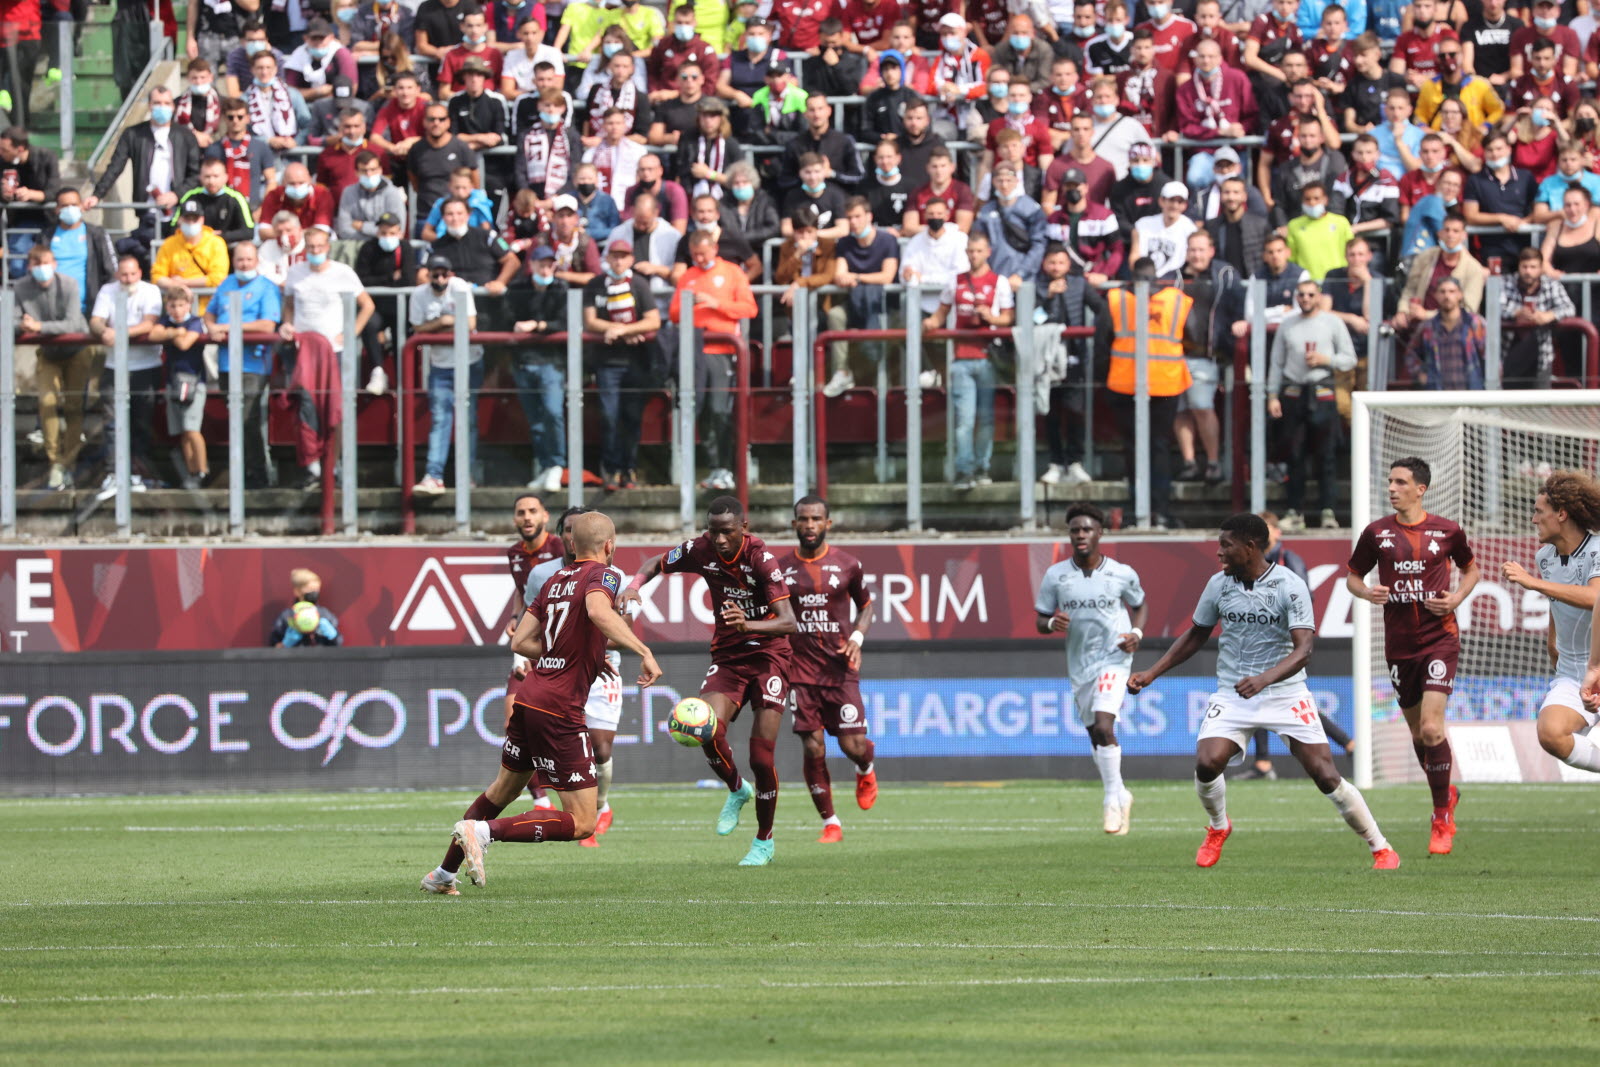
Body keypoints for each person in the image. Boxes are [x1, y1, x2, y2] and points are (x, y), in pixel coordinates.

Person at [1129, 513, 1400, 870]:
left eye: (1226, 545)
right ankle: (1218, 826)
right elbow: (1196, 634)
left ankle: (1380, 846)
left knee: (1326, 776)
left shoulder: (1290, 585)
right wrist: (1152, 672)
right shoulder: (1218, 584)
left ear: (1250, 547)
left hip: (1284, 693)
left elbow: (1303, 650)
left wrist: (1264, 679)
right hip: (1233, 692)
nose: (1219, 552)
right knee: (1207, 763)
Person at [443, 513, 663, 888]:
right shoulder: (607, 575)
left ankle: (443, 873)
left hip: (531, 697)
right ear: (610, 546)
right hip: (559, 707)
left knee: (502, 790)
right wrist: (643, 649)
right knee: (582, 821)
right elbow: (597, 611)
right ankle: (483, 833)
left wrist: (576, 654)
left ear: (571, 544)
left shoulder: (555, 579)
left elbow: (520, 643)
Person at [622, 498, 797, 866]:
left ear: (744, 528)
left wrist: (747, 624)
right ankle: (737, 789)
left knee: (761, 758)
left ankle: (764, 841)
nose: (718, 539)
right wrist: (635, 584)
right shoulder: (701, 549)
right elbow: (654, 563)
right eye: (713, 530)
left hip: (769, 657)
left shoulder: (761, 559)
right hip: (730, 658)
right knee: (703, 728)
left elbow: (788, 621)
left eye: (727, 532)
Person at [1347, 456, 1480, 853]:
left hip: (1440, 638)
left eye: (1400, 482)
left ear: (1420, 489)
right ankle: (1446, 792)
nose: (1392, 488)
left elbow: (1472, 570)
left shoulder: (1448, 531)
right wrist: (1367, 593)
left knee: (1432, 729)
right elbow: (1353, 577)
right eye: (1390, 481)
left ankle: (1441, 816)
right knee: (1419, 738)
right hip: (1399, 647)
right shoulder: (1376, 533)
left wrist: (1456, 597)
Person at [1033, 503, 1147, 832]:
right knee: (1094, 734)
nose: (1080, 535)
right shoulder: (1056, 575)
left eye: (1086, 529)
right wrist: (1052, 621)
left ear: (1100, 533)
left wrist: (1136, 634)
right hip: (1080, 663)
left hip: (1114, 656)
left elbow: (1140, 605)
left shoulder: (1121, 572)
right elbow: (1041, 619)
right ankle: (1122, 792)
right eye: (1075, 530)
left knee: (1103, 724)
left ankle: (1112, 798)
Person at [779, 496, 879, 843]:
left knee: (853, 745)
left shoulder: (848, 565)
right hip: (799, 672)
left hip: (839, 669)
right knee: (813, 748)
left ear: (828, 524)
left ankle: (865, 767)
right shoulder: (780, 570)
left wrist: (858, 637)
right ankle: (830, 822)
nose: (809, 525)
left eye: (816, 519)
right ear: (794, 524)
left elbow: (866, 606)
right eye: (803, 519)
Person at [279, 228, 374, 488]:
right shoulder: (296, 272)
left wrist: (351, 332)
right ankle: (313, 466)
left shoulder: (343, 272)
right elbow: (288, 303)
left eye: (320, 247)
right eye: (311, 247)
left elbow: (368, 305)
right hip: (303, 350)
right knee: (306, 406)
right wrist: (287, 324)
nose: (316, 252)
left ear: (328, 247)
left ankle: (336, 464)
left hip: (335, 349)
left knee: (336, 408)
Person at [1105, 257, 1192, 528]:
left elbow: (1101, 343)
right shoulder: (1177, 301)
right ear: (1156, 277)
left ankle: (1137, 511)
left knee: (1134, 449)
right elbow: (1196, 333)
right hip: (1165, 384)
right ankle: (1160, 510)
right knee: (1159, 447)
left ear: (1132, 277)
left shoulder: (1117, 300)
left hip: (1125, 385)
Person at [925, 230, 1015, 490]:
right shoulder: (955, 282)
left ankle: (982, 467)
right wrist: (929, 323)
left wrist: (991, 318)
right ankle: (965, 471)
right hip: (961, 358)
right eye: (970, 251)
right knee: (964, 419)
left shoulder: (999, 282)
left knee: (986, 418)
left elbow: (1009, 317)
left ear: (988, 252)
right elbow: (941, 313)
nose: (974, 256)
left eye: (979, 251)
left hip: (988, 357)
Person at [671, 230, 757, 490]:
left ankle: (727, 468)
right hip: (697, 352)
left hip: (723, 352)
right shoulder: (688, 276)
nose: (699, 258)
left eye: (703, 253)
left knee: (721, 410)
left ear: (714, 249)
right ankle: (714, 468)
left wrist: (715, 303)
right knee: (703, 411)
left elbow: (748, 308)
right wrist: (692, 306)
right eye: (695, 254)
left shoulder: (732, 272)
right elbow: (674, 312)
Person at [1267, 279, 1356, 531]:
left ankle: (1328, 512)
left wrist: (1325, 359)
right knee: (1294, 454)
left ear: (1318, 297)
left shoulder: (1332, 323)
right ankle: (1295, 511)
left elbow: (1349, 359)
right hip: (1294, 392)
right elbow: (1276, 363)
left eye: (1310, 295)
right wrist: (1272, 395)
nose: (1305, 299)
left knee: (1326, 455)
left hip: (1323, 390)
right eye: (1301, 295)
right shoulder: (1287, 325)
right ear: (1296, 297)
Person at [585, 240, 661, 491]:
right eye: (614, 256)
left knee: (631, 417)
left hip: (635, 362)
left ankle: (629, 468)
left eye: (623, 256)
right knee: (609, 416)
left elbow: (653, 320)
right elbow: (589, 321)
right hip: (607, 362)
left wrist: (624, 330)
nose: (618, 261)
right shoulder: (595, 285)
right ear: (607, 259)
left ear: (630, 259)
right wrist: (617, 330)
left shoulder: (639, 285)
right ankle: (611, 468)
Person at [206, 241, 281, 489]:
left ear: (256, 261)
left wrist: (227, 327)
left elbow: (268, 325)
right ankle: (244, 470)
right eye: (240, 260)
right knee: (236, 419)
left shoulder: (267, 288)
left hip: (253, 365)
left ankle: (258, 474)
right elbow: (210, 313)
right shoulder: (226, 284)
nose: (244, 264)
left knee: (248, 419)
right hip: (228, 364)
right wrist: (211, 327)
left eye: (249, 260)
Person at [86, 88, 202, 244]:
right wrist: (97, 195)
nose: (162, 107)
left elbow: (195, 173)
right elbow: (115, 166)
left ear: (173, 106)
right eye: (157, 103)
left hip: (179, 212)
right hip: (147, 211)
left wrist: (177, 195)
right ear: (149, 105)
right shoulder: (133, 134)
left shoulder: (185, 135)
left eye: (167, 103)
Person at [15, 247, 87, 491]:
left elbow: (73, 323)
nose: (42, 268)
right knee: (46, 404)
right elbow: (13, 320)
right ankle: (55, 462)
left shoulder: (69, 284)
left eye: (46, 262)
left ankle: (70, 462)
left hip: (77, 351)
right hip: (47, 353)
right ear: (29, 267)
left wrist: (38, 326)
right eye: (37, 264)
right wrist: (23, 325)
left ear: (54, 263)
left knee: (74, 406)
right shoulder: (22, 287)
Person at [89, 254, 164, 491]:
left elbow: (149, 323)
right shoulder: (108, 290)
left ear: (140, 273)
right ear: (117, 274)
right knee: (112, 422)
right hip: (114, 366)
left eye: (132, 274)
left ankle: (137, 473)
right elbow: (95, 321)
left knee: (141, 422)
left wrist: (118, 333)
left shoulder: (151, 290)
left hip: (145, 365)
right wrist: (103, 332)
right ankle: (113, 472)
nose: (128, 279)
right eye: (124, 274)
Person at [410, 257, 482, 497]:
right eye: (435, 274)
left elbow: (470, 323)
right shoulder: (419, 294)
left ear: (449, 274)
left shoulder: (460, 286)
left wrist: (439, 325)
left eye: (443, 274)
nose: (439, 279)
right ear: (427, 274)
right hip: (440, 365)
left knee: (468, 420)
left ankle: (466, 473)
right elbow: (417, 328)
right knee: (440, 419)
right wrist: (446, 321)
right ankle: (434, 475)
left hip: (469, 361)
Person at [820, 197, 900, 397]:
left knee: (883, 326)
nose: (854, 222)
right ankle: (842, 371)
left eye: (858, 216)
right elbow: (840, 274)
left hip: (884, 306)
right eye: (850, 218)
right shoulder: (845, 243)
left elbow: (887, 276)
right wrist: (846, 277)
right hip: (855, 302)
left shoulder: (887, 240)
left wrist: (856, 277)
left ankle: (885, 385)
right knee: (836, 315)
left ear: (869, 217)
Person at [507, 249, 570, 493]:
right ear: (532, 265)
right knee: (535, 420)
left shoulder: (561, 289)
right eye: (541, 265)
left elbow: (566, 321)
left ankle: (557, 464)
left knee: (553, 412)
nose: (546, 270)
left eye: (549, 265)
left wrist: (537, 326)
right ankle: (546, 465)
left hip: (552, 361)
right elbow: (507, 317)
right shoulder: (518, 288)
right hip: (523, 361)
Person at [147, 286, 209, 489]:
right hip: (173, 383)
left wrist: (170, 334)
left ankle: (202, 470)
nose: (176, 310)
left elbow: (185, 344)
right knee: (182, 431)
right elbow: (153, 335)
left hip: (194, 382)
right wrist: (175, 331)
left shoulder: (196, 322)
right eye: (172, 306)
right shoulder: (168, 322)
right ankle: (191, 472)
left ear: (189, 305)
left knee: (192, 429)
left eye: (181, 305)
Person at [1503, 244, 1575, 388]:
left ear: (1541, 268)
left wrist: (1549, 315)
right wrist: (1516, 312)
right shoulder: (1506, 282)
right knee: (1509, 407)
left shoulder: (1551, 285)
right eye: (1524, 266)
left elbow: (1569, 308)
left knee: (1541, 406)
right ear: (1518, 266)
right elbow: (1495, 307)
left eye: (1533, 267)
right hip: (1508, 354)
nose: (1528, 271)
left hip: (1541, 355)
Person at [151, 202, 230, 309]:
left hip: (209, 308)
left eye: (195, 219)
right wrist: (177, 286)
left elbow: (218, 278)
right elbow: (157, 276)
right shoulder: (169, 244)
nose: (191, 223)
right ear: (180, 220)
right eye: (187, 219)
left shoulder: (216, 243)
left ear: (202, 220)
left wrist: (184, 282)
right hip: (177, 309)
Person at [203, 97, 279, 209]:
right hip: (223, 209)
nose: (235, 121)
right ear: (224, 118)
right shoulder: (214, 149)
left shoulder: (260, 147)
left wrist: (263, 210)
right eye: (230, 117)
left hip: (253, 208)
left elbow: (271, 181)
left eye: (240, 117)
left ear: (248, 118)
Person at [175, 158, 256, 244]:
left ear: (225, 177)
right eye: (207, 176)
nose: (211, 181)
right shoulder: (190, 197)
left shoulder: (236, 198)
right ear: (200, 177)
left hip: (227, 250)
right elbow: (173, 227)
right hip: (194, 249)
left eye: (216, 176)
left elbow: (248, 232)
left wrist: (220, 236)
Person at [1129, 180, 1196, 280]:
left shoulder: (1190, 229)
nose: (1175, 205)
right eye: (1171, 200)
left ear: (1185, 205)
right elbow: (1134, 258)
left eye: (1180, 201)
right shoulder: (1142, 225)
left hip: (1174, 284)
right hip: (1144, 280)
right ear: (1161, 201)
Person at [336, 151, 407, 240]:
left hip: (383, 247)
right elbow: (344, 229)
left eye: (373, 169)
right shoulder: (348, 192)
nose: (369, 174)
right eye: (364, 171)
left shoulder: (393, 193)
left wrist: (362, 226)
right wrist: (380, 232)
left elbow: (398, 229)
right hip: (355, 246)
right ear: (356, 173)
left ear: (380, 170)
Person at [256, 162, 335, 239]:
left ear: (310, 180)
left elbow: (321, 232)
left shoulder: (322, 194)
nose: (297, 187)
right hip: (282, 245)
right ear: (283, 182)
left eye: (301, 183)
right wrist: (291, 236)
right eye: (292, 183)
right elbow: (263, 232)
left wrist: (287, 234)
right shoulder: (274, 195)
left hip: (313, 245)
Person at [267, 568, 342, 647]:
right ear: (297, 591)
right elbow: (274, 648)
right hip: (294, 658)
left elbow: (338, 644)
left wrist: (333, 637)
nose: (314, 593)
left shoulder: (325, 614)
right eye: (310, 589)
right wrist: (286, 644)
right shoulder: (287, 616)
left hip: (321, 658)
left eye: (316, 590)